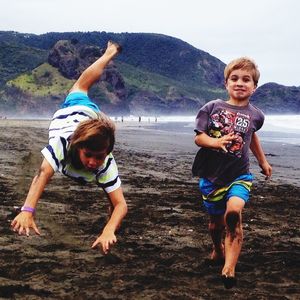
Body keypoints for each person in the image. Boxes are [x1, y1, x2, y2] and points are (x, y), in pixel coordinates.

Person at [11, 41, 127, 255]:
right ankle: (109, 53)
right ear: (78, 147)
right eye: (89, 155)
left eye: (99, 157)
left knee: (110, 194)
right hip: (76, 109)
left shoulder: (106, 160)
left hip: (92, 119)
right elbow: (44, 172)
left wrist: (109, 229)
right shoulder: (63, 144)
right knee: (82, 84)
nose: (93, 162)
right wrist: (27, 210)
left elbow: (122, 204)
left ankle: (110, 221)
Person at [192, 57, 272, 289]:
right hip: (212, 178)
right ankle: (217, 248)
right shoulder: (212, 108)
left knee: (234, 213)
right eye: (234, 78)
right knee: (215, 225)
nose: (240, 83)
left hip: (240, 176)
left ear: (254, 87)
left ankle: (229, 268)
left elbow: (252, 136)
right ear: (226, 83)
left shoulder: (257, 115)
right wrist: (215, 142)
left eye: (246, 80)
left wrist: (263, 162)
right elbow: (199, 137)